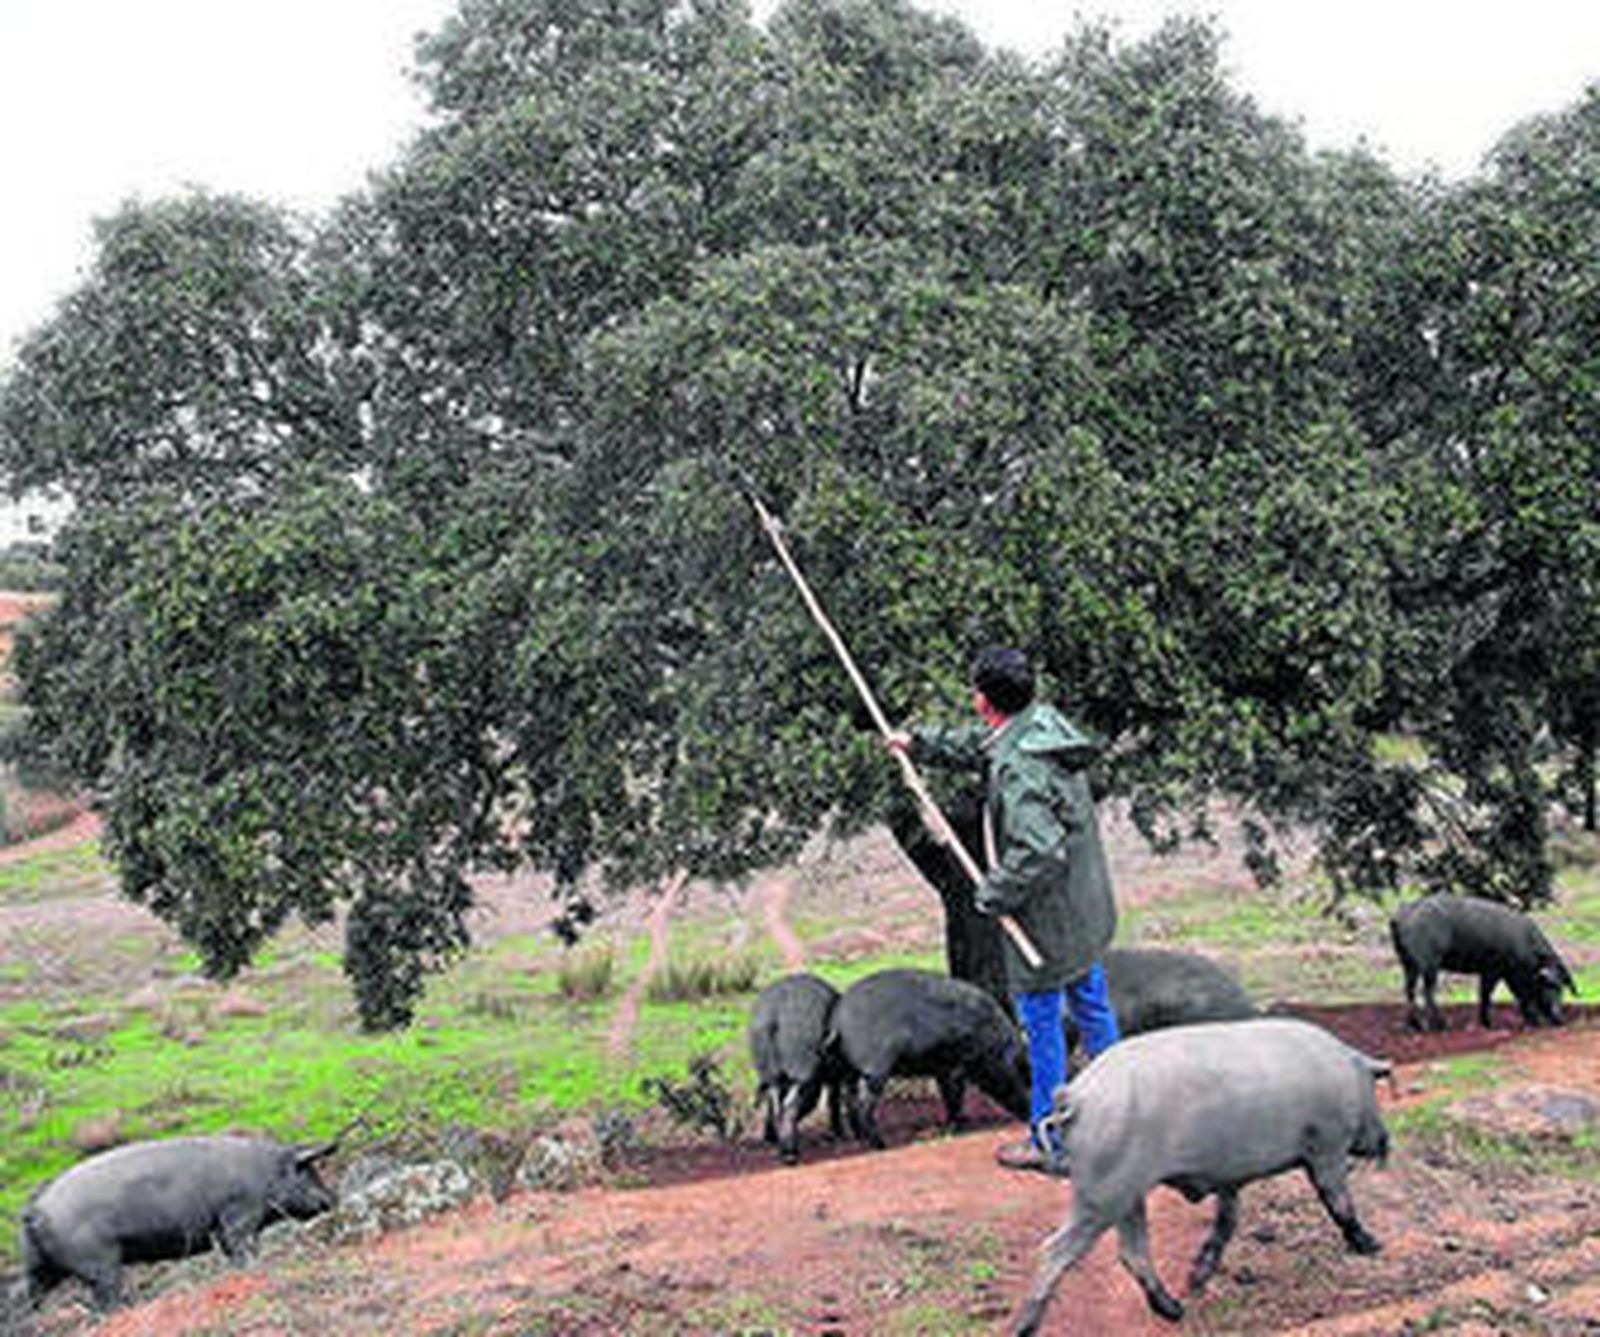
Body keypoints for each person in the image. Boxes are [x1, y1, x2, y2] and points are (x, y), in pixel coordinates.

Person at [888, 645, 1120, 1174]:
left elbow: (1037, 851)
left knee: (1041, 1029)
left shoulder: (1019, 770)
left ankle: (1051, 1142)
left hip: (1046, 929)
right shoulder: (1041, 726)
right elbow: (987, 744)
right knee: (1093, 1007)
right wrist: (918, 744)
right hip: (1083, 911)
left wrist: (993, 894)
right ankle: (1123, 1115)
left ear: (984, 700)